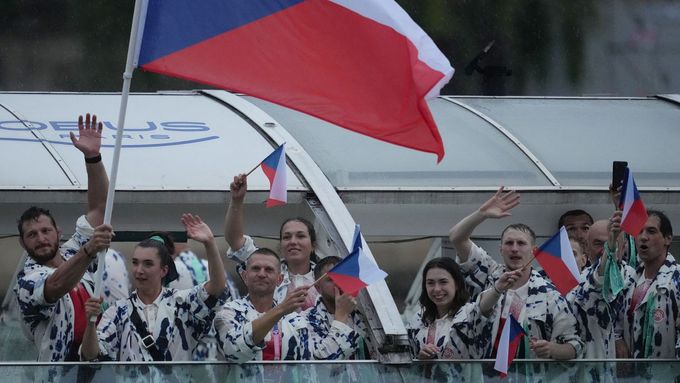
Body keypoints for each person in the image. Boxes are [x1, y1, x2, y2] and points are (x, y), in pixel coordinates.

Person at [14, 113, 113, 362]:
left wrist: (93, 158)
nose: (41, 238)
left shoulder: (72, 251)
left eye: (46, 231)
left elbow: (100, 207)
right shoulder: (27, 280)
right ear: (22, 243)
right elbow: (56, 285)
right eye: (32, 235)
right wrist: (89, 251)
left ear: (58, 233)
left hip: (102, 367)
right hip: (59, 375)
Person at [448, 187, 582, 360]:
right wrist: (482, 213)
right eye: (509, 243)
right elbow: (456, 238)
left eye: (521, 243)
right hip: (486, 375)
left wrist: (552, 349)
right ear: (501, 249)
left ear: (534, 250)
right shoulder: (487, 273)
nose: (515, 249)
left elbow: (575, 346)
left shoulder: (550, 294)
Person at [81, 214, 229, 361]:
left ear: (164, 270)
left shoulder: (182, 303)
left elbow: (217, 288)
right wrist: (90, 323)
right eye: (135, 262)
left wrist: (210, 243)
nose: (139, 270)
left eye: (148, 264)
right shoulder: (118, 311)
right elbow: (91, 355)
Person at [225, 173, 319, 309]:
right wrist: (237, 200)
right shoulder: (266, 267)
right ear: (280, 245)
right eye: (286, 237)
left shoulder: (326, 276)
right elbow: (234, 240)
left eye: (300, 236)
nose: (293, 241)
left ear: (313, 245)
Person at [408, 257, 521, 360]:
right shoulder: (417, 320)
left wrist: (498, 288)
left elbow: (483, 306)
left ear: (457, 284)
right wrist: (420, 359)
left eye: (443, 282)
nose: (437, 289)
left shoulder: (469, 314)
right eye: (430, 283)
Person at [215, 248, 311, 362]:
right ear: (245, 276)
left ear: (279, 279)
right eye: (256, 268)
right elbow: (234, 351)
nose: (261, 274)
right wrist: (281, 309)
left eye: (269, 270)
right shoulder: (228, 312)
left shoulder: (296, 321)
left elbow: (307, 372)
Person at [619, 210, 679, 358]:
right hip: (632, 377)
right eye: (639, 232)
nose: (643, 237)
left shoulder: (677, 279)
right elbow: (614, 321)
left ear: (668, 239)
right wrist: (617, 339)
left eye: (651, 231)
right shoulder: (628, 282)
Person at [305, 256, 371, 360]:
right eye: (331, 279)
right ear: (318, 288)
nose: (338, 283)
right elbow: (324, 363)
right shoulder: (306, 319)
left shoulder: (366, 316)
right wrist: (342, 315)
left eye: (343, 277)